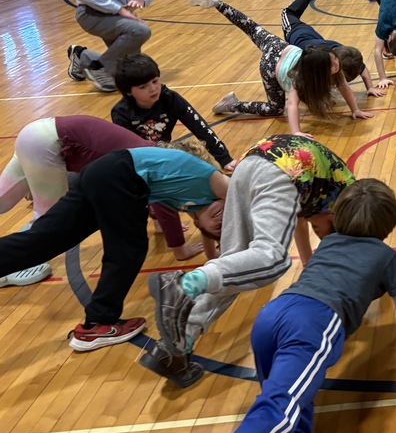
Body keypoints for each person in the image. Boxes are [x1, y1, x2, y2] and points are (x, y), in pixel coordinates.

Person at [173, 179, 396, 433]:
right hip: (314, 324)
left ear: (339, 215)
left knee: (291, 414)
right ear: (389, 223)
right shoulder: (386, 256)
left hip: (273, 314)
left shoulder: (330, 242)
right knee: (279, 406)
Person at [141, 134, 356, 388]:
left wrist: (309, 263)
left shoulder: (327, 196)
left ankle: (172, 349)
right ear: (335, 217)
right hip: (284, 167)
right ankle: (183, 285)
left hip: (253, 162)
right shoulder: (350, 206)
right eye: (325, 232)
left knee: (237, 267)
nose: (319, 234)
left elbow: (297, 220)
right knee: (273, 258)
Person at [0, 144, 228, 351]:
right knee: (129, 249)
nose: (222, 219)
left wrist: (214, 251)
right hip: (119, 174)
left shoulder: (196, 203)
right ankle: (99, 323)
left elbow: (210, 246)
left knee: (43, 241)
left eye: (217, 227)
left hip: (104, 173)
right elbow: (239, 201)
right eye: (226, 216)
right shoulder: (219, 184)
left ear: (198, 224)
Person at [0, 115, 212, 274]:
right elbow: (165, 206)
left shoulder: (152, 153)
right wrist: (179, 249)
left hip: (36, 133)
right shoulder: (161, 167)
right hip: (49, 145)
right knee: (48, 223)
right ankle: (12, 267)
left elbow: (156, 198)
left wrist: (157, 222)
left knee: (3, 201)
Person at [187, 0, 372, 135]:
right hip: (270, 65)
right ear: (319, 70)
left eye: (335, 60)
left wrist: (355, 109)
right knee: (275, 109)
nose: (337, 65)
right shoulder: (301, 80)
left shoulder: (327, 64)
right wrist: (296, 132)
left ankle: (216, 3)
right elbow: (292, 105)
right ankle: (232, 105)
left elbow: (344, 86)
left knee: (250, 26)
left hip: (280, 46)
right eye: (333, 63)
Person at [281, 0, 385, 111]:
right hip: (301, 34)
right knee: (288, 12)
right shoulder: (329, 58)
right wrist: (370, 88)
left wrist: (370, 87)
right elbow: (361, 67)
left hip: (306, 36)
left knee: (289, 11)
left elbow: (362, 67)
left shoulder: (342, 55)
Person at [112, 54, 237, 171]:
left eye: (155, 81)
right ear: (128, 91)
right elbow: (127, 148)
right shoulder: (121, 112)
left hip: (165, 154)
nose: (153, 89)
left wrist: (224, 158)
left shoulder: (170, 99)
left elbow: (200, 127)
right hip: (140, 162)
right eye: (143, 87)